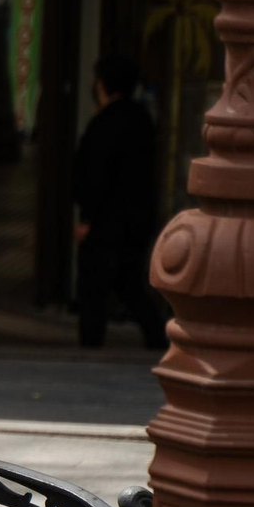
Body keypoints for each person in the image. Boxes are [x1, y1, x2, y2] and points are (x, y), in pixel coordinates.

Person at [73, 54, 168, 350]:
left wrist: (87, 219)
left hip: (106, 223)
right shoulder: (142, 120)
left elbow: (95, 177)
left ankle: (91, 345)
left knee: (94, 289)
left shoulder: (104, 124)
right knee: (130, 284)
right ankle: (158, 338)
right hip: (136, 220)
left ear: (102, 84)